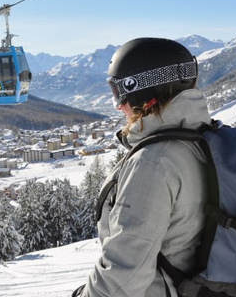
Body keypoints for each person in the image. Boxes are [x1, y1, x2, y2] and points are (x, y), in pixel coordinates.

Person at [74, 38, 211, 297]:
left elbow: (122, 278)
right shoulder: (208, 141)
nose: (119, 106)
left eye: (120, 94)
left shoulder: (154, 163)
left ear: (144, 95)